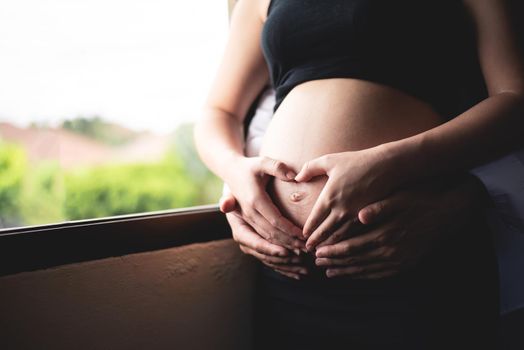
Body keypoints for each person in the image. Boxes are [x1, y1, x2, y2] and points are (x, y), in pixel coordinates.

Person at [194, 0, 524, 348]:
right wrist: (235, 172)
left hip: (411, 251)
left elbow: (515, 100)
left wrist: (389, 163)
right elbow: (220, 110)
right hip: (288, 274)